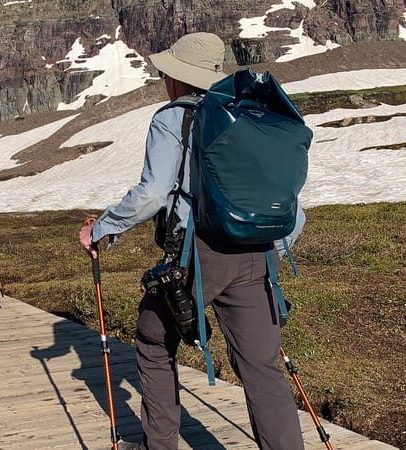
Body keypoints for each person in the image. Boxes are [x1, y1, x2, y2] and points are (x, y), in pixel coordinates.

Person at [78, 32, 305, 449]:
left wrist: (102, 228)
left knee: (152, 337)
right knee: (261, 367)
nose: (165, 80)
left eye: (167, 73)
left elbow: (152, 194)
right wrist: (267, 246)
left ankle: (159, 445)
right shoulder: (249, 115)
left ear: (179, 78)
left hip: (199, 254)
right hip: (258, 256)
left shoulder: (174, 118)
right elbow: (289, 203)